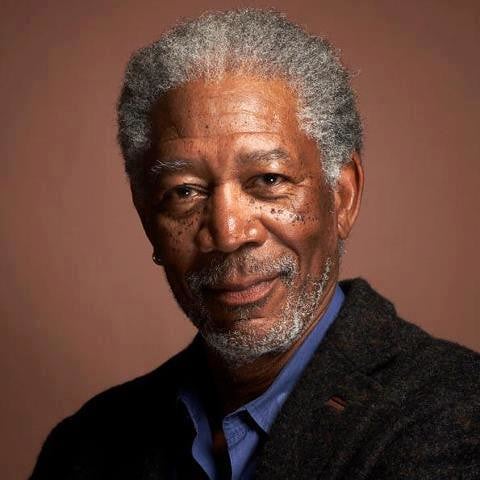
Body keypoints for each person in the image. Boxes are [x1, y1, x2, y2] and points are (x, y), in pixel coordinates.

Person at [30, 9, 479, 480]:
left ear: (342, 197)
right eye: (184, 191)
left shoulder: (456, 418)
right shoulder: (84, 449)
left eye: (268, 179)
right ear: (147, 219)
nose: (228, 234)